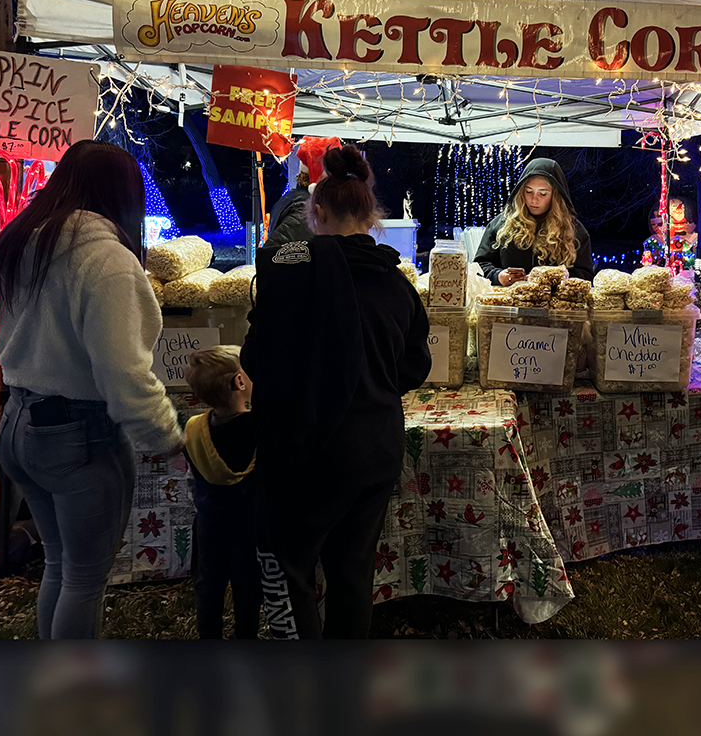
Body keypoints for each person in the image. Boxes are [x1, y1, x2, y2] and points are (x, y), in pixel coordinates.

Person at [0, 139, 183, 639]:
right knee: (85, 578)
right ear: (123, 196)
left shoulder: (24, 240)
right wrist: (167, 437)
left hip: (16, 421)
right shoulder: (105, 259)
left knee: (60, 564)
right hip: (77, 434)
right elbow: (124, 373)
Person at [241, 143, 431, 639]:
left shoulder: (285, 276)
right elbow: (415, 368)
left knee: (294, 572)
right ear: (371, 217)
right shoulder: (398, 284)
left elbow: (252, 361)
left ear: (316, 212)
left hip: (308, 452)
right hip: (375, 451)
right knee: (353, 574)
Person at [183, 345, 262, 640]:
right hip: (247, 524)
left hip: (209, 520)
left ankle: (209, 636)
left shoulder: (193, 428)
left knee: (208, 582)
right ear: (240, 383)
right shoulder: (260, 428)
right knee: (247, 584)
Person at [474, 158, 594, 286]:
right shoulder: (502, 224)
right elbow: (479, 266)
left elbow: (586, 275)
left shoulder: (573, 230)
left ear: (555, 196)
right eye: (529, 191)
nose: (534, 200)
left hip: (554, 304)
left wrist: (558, 279)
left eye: (542, 194)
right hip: (509, 302)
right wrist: (498, 276)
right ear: (521, 192)